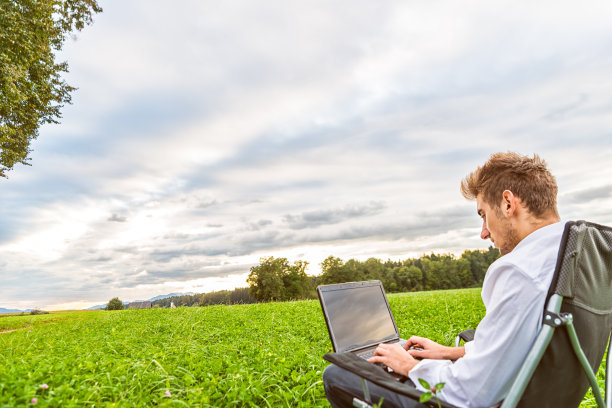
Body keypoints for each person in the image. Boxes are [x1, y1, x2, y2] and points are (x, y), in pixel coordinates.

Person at [323, 152, 563, 408]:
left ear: (507, 203)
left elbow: (471, 394)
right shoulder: (569, 254)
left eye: (483, 215)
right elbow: (520, 345)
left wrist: (410, 365)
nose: (484, 232)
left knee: (337, 374)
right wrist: (452, 353)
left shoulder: (521, 270)